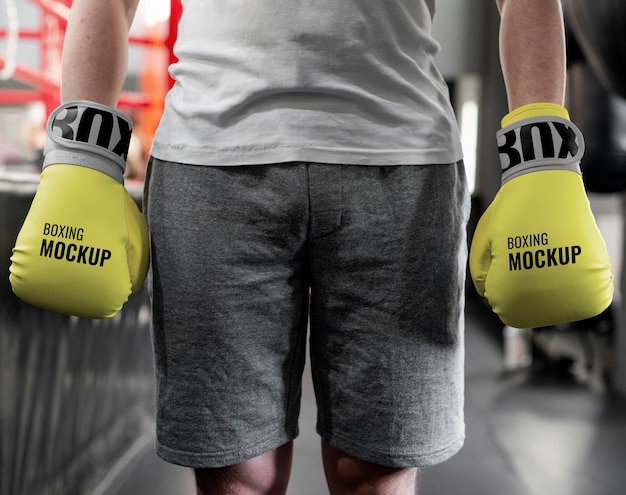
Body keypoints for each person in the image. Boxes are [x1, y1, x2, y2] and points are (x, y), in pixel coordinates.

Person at [58, 0, 569, 493]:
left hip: (402, 159)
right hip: (212, 155)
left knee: (377, 466)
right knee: (235, 470)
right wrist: (83, 159)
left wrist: (541, 161)